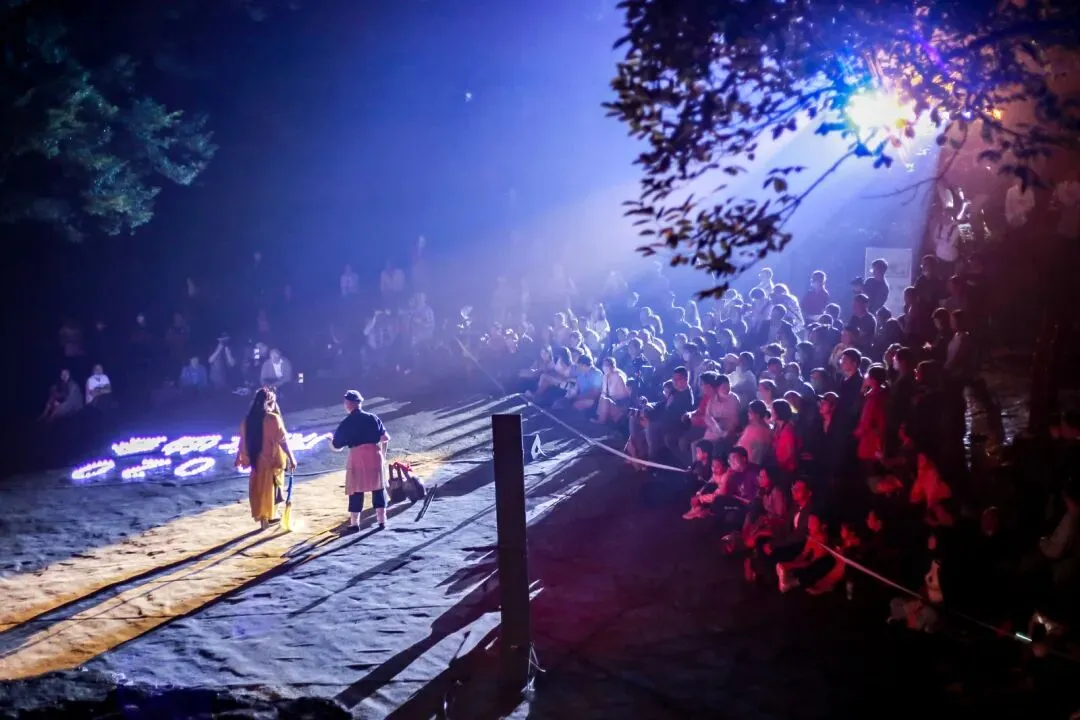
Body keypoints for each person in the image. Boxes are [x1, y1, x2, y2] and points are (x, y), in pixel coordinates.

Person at [236, 387, 296, 529]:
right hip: (271, 461)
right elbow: (282, 440)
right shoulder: (272, 419)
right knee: (271, 489)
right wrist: (291, 457)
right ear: (270, 402)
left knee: (259, 489)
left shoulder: (247, 421)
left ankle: (264, 518)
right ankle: (268, 516)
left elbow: (242, 441)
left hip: (256, 462)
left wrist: (240, 457)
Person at [331, 390, 391, 529]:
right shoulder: (373, 418)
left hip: (357, 458)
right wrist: (383, 456)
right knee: (378, 489)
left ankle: (354, 524)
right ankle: (382, 521)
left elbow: (337, 446)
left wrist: (330, 440)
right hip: (375, 456)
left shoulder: (347, 422)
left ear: (348, 404)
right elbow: (385, 438)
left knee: (356, 490)